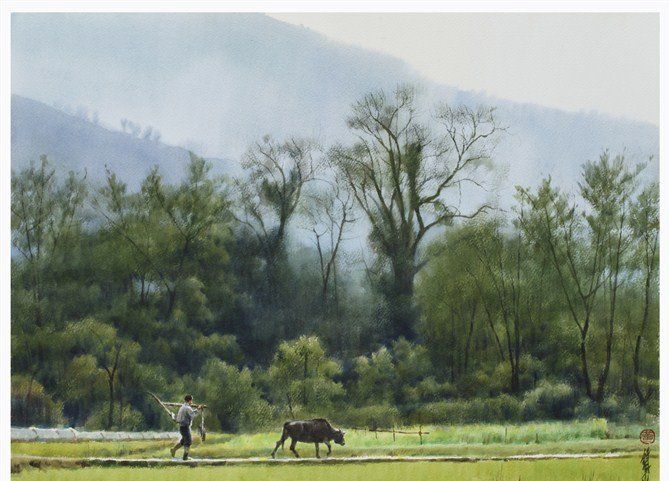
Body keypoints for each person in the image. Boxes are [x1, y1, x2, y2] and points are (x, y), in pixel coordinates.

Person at [170, 394, 202, 460]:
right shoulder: (188, 408)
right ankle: (185, 457)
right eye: (191, 401)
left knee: (183, 440)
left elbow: (191, 413)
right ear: (190, 400)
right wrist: (198, 409)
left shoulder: (183, 407)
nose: (192, 402)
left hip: (182, 427)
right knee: (188, 441)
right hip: (185, 427)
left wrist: (197, 409)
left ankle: (173, 450)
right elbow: (193, 415)